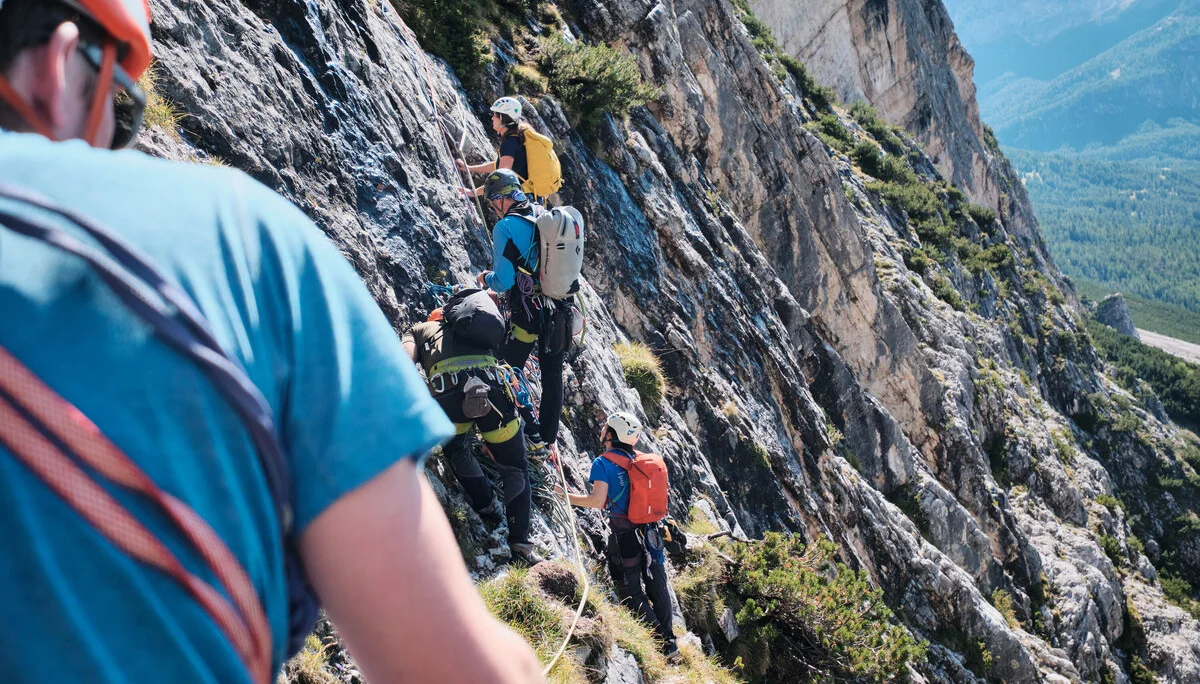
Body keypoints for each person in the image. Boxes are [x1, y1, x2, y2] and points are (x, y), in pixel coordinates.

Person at [0, 1, 544, 682]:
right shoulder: (243, 244)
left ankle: (505, 522)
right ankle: (515, 531)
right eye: (125, 108)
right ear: (60, 64)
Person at [403, 293, 540, 564]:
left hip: (448, 395)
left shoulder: (420, 329)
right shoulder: (480, 333)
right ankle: (520, 545)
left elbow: (403, 362)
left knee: (458, 450)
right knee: (513, 466)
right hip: (492, 392)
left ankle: (487, 505)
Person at [560, 412, 680, 661]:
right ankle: (670, 640)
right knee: (658, 582)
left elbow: (597, 501)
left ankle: (662, 644)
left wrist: (564, 496)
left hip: (626, 535)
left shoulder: (602, 463)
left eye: (606, 427)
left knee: (631, 591)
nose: (602, 430)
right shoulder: (641, 460)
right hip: (652, 532)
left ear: (611, 434)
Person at [475, 169, 574, 457]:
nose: (492, 209)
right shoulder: (544, 213)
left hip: (528, 314)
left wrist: (486, 280)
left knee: (504, 369)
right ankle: (546, 441)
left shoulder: (505, 227)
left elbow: (504, 280)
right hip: (560, 310)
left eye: (492, 201)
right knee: (552, 374)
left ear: (499, 198)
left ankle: (502, 441)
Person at [457, 96, 533, 199]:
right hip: (528, 196)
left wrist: (473, 192)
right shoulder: (515, 139)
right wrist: (469, 168)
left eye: (495, 115)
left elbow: (502, 178)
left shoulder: (510, 143)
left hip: (523, 200)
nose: (492, 118)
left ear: (502, 118)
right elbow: (498, 166)